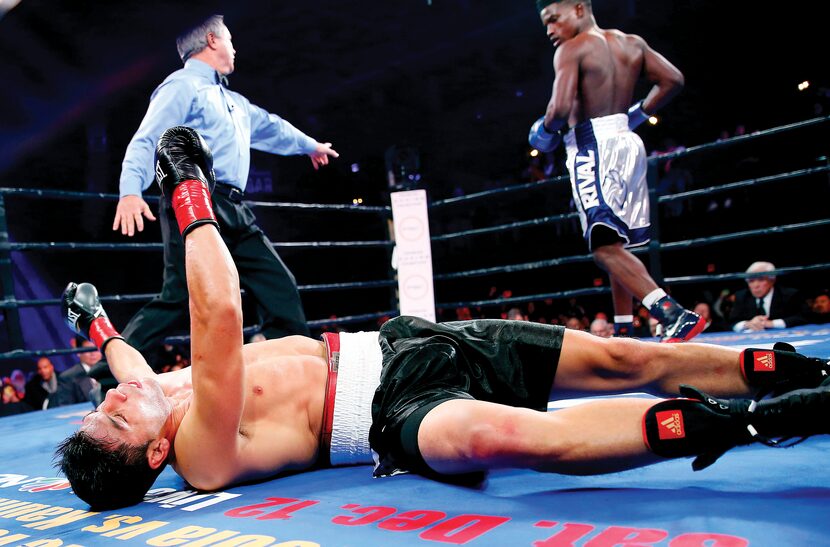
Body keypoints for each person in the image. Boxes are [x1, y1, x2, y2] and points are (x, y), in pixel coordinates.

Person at [55, 127, 830, 511]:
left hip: (404, 342)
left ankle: (802, 372)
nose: (114, 398)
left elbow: (126, 364)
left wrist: (95, 322)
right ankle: (747, 423)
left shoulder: (159, 394)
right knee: (502, 437)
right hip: (395, 414)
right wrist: (187, 191)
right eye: (115, 418)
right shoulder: (200, 449)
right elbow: (220, 305)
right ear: (156, 451)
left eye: (104, 403)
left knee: (625, 359)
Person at [112, 14, 339, 370]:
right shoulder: (182, 86)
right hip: (192, 199)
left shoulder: (232, 101)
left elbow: (272, 127)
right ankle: (110, 369)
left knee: (278, 285)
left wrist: (310, 146)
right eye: (230, 39)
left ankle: (293, 373)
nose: (235, 47)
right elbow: (149, 138)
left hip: (234, 206)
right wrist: (130, 190)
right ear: (213, 40)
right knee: (178, 296)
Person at [528, 0, 703, 342]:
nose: (550, 30)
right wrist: (637, 113)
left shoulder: (571, 49)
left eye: (553, 19)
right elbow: (673, 80)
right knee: (615, 243)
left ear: (579, 8)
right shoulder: (632, 43)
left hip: (592, 146)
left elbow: (560, 108)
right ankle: (623, 327)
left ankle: (671, 313)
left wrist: (543, 131)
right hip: (628, 140)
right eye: (545, 24)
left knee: (603, 248)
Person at [728, 262, 809, 333]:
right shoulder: (741, 296)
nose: (756, 285)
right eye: (751, 281)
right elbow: (731, 322)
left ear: (772, 280)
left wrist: (771, 323)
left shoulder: (789, 294)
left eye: (761, 280)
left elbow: (804, 317)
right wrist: (747, 324)